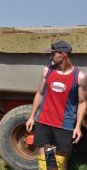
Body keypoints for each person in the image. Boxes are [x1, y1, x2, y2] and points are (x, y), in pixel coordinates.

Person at [25, 41, 87, 170]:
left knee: (58, 161)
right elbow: (40, 93)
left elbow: (82, 102)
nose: (50, 57)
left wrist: (78, 126)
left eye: (52, 54)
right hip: (44, 122)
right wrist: (32, 117)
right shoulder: (47, 71)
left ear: (63, 54)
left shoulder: (79, 76)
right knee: (45, 160)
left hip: (64, 125)